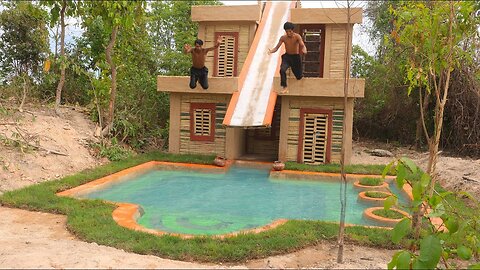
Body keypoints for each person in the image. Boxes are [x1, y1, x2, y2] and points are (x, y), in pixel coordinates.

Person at [268, 22, 307, 94]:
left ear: (293, 30)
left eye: (290, 31)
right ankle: (284, 87)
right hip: (287, 57)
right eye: (287, 31)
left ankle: (300, 75)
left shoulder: (297, 36)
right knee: (282, 70)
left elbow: (302, 45)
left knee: (299, 76)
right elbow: (277, 47)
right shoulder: (283, 38)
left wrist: (304, 49)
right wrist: (271, 51)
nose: (288, 33)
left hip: (295, 58)